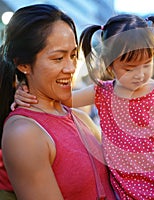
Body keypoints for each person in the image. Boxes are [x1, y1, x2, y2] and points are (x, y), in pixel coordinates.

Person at [14, 14, 154, 199]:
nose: (140, 75)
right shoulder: (103, 92)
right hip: (117, 192)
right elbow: (63, 97)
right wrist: (24, 90)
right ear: (110, 64)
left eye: (146, 64)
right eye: (129, 68)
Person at [0, 4, 116, 200]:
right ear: (23, 64)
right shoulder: (24, 134)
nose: (71, 68)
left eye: (72, 55)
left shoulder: (79, 117)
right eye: (58, 58)